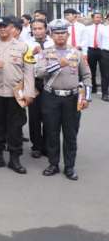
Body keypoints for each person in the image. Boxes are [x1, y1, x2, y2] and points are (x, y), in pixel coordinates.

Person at [35, 19, 91, 181]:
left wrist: (86, 97)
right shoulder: (45, 53)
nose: (60, 36)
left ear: (68, 34)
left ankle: (69, 167)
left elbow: (86, 76)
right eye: (56, 33)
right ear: (51, 35)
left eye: (63, 33)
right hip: (51, 97)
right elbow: (38, 73)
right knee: (51, 132)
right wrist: (57, 65)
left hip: (72, 99)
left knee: (70, 134)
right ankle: (53, 164)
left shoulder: (77, 53)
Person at [0, 16, 36, 174]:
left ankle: (15, 159)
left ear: (12, 27)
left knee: (16, 127)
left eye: (5, 26)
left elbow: (29, 72)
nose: (2, 29)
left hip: (16, 94)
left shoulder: (23, 47)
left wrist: (29, 92)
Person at [26, 19, 54, 159]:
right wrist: (32, 53)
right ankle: (36, 145)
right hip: (34, 82)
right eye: (34, 29)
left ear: (46, 29)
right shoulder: (27, 44)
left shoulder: (53, 42)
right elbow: (22, 62)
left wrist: (44, 52)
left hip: (51, 82)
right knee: (34, 116)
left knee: (49, 115)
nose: (37, 31)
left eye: (40, 28)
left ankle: (48, 145)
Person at [82, 12, 105, 98]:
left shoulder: (104, 28)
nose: (98, 19)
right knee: (91, 70)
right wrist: (85, 52)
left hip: (102, 50)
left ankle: (104, 88)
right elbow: (85, 40)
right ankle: (93, 87)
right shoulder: (87, 28)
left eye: (99, 17)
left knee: (104, 70)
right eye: (96, 17)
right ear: (93, 18)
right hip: (91, 50)